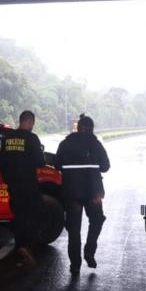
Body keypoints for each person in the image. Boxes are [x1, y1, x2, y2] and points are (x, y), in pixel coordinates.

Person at [55, 114, 111, 275]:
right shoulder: (95, 144)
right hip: (93, 192)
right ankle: (89, 251)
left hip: (71, 192)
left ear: (77, 128)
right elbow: (106, 166)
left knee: (74, 229)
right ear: (91, 129)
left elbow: (57, 164)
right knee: (97, 220)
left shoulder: (65, 143)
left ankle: (75, 265)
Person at [0, 110, 45, 267]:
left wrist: (8, 180)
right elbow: (40, 161)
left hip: (13, 185)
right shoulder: (32, 138)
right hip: (29, 184)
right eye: (32, 123)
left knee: (18, 216)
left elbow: (2, 161)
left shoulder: (7, 138)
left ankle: (20, 249)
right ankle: (28, 247)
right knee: (34, 215)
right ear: (30, 122)